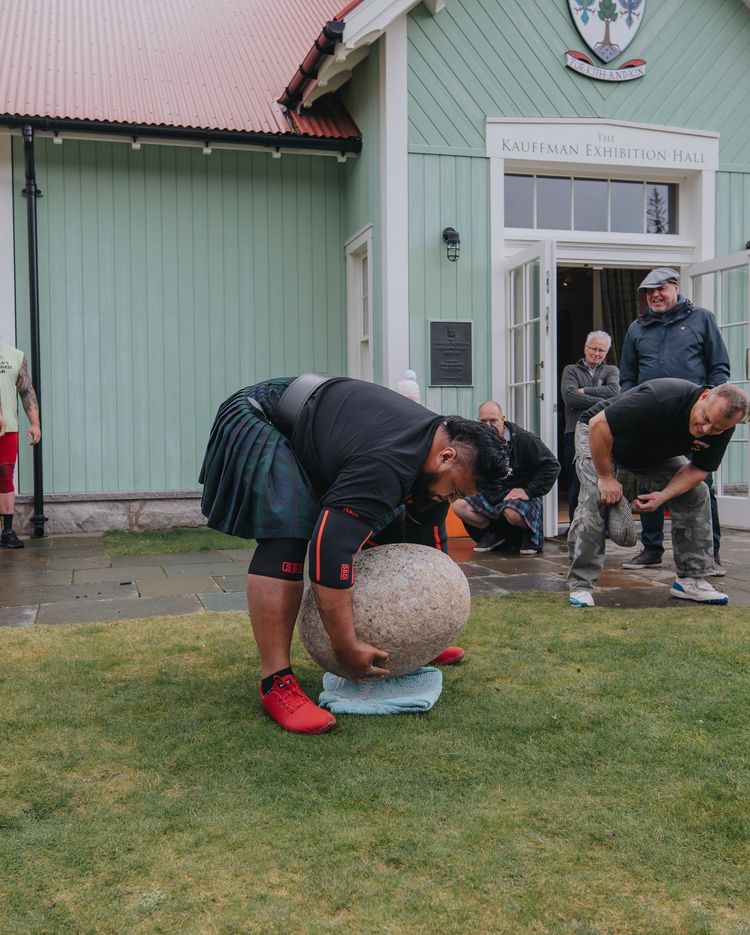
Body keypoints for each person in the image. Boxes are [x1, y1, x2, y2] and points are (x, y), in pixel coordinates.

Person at [200, 374, 511, 735]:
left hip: (315, 420)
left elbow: (427, 535)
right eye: (456, 490)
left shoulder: (434, 453)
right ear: (446, 456)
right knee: (290, 534)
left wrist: (425, 626)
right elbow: (329, 551)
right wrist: (344, 645)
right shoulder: (390, 460)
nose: (453, 501)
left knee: (403, 517)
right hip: (260, 416)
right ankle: (276, 683)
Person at [567, 378, 748, 608]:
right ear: (704, 396)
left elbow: (699, 469)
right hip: (600, 436)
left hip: (649, 453)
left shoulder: (722, 427)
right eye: (706, 420)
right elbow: (598, 425)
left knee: (696, 493)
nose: (706, 431)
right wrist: (605, 477)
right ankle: (581, 585)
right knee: (595, 495)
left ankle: (690, 579)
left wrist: (664, 495)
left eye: (716, 429)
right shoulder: (661, 397)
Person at [618, 267, 730, 574]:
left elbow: (719, 368)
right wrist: (632, 410)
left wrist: (711, 406)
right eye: (649, 291)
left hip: (696, 419)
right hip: (651, 420)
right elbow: (627, 377)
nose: (655, 295)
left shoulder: (701, 319)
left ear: (676, 288)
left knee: (699, 484)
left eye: (661, 288)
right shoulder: (637, 329)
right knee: (649, 480)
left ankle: (710, 553)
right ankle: (651, 549)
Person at [452, 400, 560, 555]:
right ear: (478, 421)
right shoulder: (477, 441)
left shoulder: (525, 439)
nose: (488, 426)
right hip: (492, 493)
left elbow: (552, 466)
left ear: (503, 418)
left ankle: (527, 535)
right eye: (483, 421)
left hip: (520, 495)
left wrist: (528, 491)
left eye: (493, 420)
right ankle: (496, 533)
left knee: (512, 512)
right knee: (459, 505)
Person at [560, 331, 620, 522]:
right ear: (585, 348)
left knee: (604, 479)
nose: (596, 353)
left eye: (601, 350)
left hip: (604, 432)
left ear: (606, 352)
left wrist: (585, 391)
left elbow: (615, 391)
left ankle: (602, 526)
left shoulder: (612, 371)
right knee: (577, 481)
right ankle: (575, 525)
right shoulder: (571, 370)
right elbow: (569, 396)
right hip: (575, 431)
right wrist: (604, 400)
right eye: (593, 348)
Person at [0, 342, 41, 548]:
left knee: (5, 478)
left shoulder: (15, 356)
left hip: (7, 430)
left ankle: (6, 532)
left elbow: (26, 391)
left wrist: (35, 423)